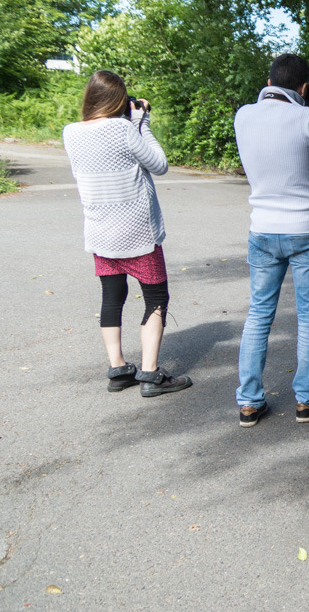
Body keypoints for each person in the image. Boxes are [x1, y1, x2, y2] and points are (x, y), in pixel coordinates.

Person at [63, 70, 192, 397]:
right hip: (137, 233)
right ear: (118, 100)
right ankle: (150, 374)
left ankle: (118, 367)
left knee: (112, 295)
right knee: (156, 298)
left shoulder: (70, 132)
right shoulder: (123, 127)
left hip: (99, 230)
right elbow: (159, 163)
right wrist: (141, 121)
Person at [232, 53, 309, 427]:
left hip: (262, 227)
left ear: (268, 80)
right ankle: (307, 401)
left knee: (259, 315)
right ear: (306, 88)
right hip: (308, 229)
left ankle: (248, 402)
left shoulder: (243, 115)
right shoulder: (308, 117)